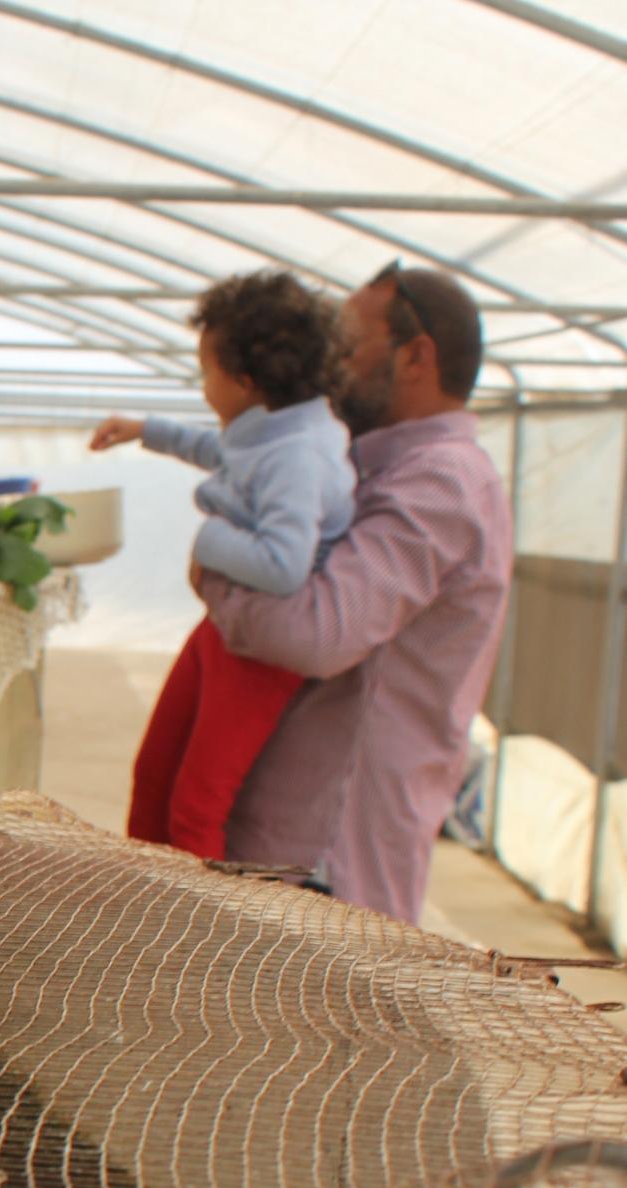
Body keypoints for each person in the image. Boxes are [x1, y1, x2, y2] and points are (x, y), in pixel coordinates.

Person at [191, 264, 512, 925]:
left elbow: (313, 633)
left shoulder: (439, 483)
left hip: (329, 865)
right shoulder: (372, 464)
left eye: (349, 345)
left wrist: (216, 571)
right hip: (303, 850)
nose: (326, 365)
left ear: (415, 356)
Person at [93, 271, 355, 860]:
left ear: (245, 380)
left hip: (258, 656)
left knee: (197, 805)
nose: (202, 382)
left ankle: (196, 935)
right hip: (226, 632)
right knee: (154, 769)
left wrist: (209, 540)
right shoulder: (272, 430)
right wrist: (147, 431)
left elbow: (284, 565)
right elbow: (222, 452)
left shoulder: (300, 455)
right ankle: (141, 894)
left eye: (205, 369)